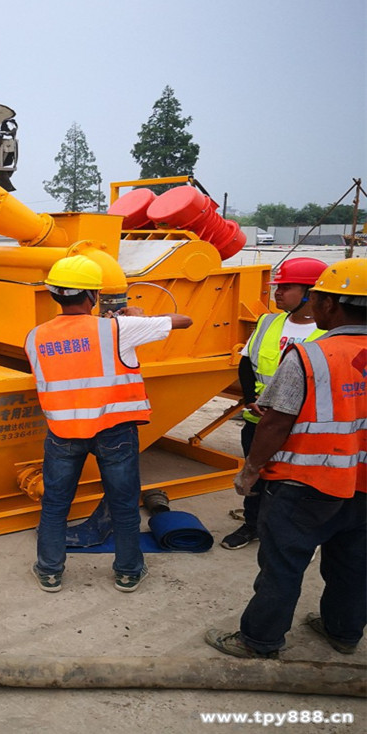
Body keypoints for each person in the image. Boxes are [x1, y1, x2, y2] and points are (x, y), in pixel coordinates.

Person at [206, 258, 367, 659]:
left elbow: (275, 424)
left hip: (306, 485)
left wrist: (250, 472)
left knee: (282, 565)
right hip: (362, 486)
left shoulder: (311, 357)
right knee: (354, 564)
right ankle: (343, 632)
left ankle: (258, 639)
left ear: (330, 304)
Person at [24, 255, 192, 593]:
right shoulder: (117, 329)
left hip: (63, 434)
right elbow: (183, 320)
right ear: (92, 296)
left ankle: (49, 571)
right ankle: (128, 572)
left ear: (54, 294)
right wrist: (139, 318)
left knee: (56, 504)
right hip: (114, 431)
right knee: (123, 502)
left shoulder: (35, 337)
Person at [222, 257, 327, 549]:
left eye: (285, 287)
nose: (277, 292)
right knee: (255, 475)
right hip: (259, 421)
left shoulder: (327, 331)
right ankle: (252, 525)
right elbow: (246, 362)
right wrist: (251, 398)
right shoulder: (269, 321)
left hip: (303, 426)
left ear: (312, 293)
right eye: (276, 287)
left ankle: (293, 532)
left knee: (295, 483)